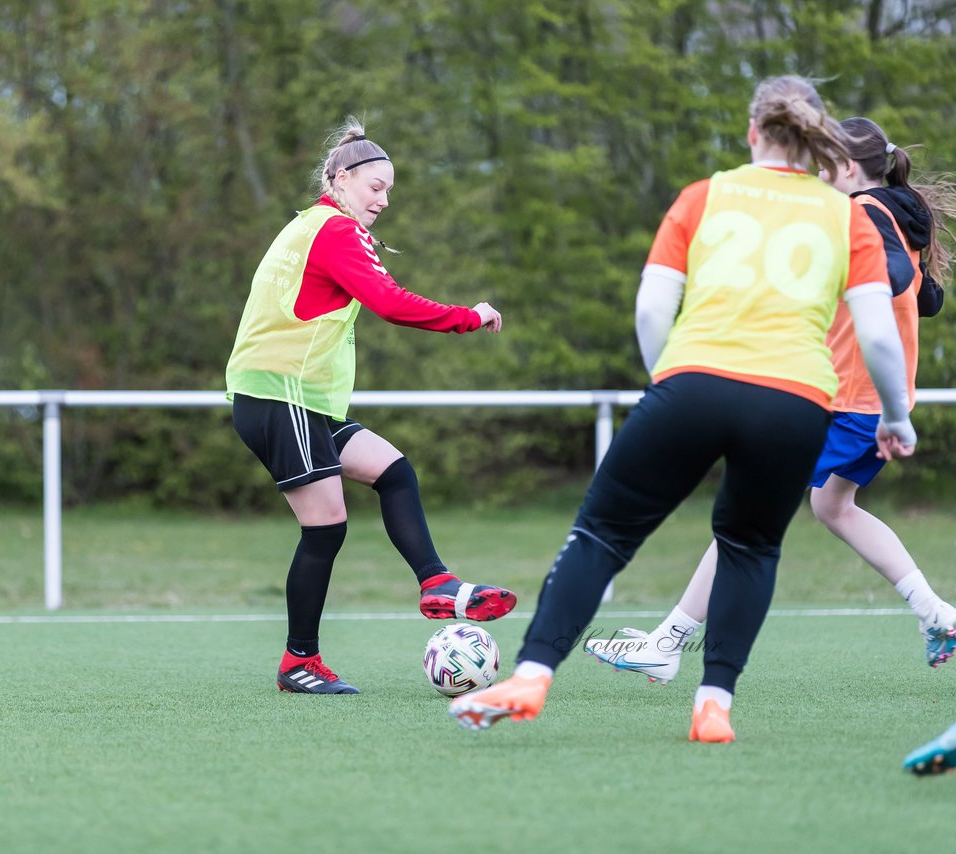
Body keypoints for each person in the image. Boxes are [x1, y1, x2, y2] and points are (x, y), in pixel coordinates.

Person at [448, 76, 916, 742]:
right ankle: (713, 705)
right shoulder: (846, 215)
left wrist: (666, 379)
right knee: (749, 548)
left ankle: (531, 675)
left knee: (602, 535)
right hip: (794, 399)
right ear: (818, 139)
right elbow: (876, 334)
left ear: (752, 131)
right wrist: (896, 418)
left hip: (692, 381)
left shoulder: (705, 195)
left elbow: (649, 308)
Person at [586, 116, 956, 684]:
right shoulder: (893, 212)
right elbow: (925, 298)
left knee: (744, 513)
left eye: (822, 166)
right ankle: (937, 613)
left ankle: (668, 641)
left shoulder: (858, 214)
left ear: (848, 169)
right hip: (875, 401)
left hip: (847, 400)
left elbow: (896, 277)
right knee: (833, 508)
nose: (813, 176)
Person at [225, 119, 515, 695]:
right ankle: (299, 663)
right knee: (326, 527)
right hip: (283, 397)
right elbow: (388, 301)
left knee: (393, 471)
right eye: (375, 187)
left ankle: (436, 582)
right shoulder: (335, 230)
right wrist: (469, 316)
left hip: (293, 400)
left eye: (388, 191)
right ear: (340, 178)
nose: (383, 200)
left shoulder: (314, 224)